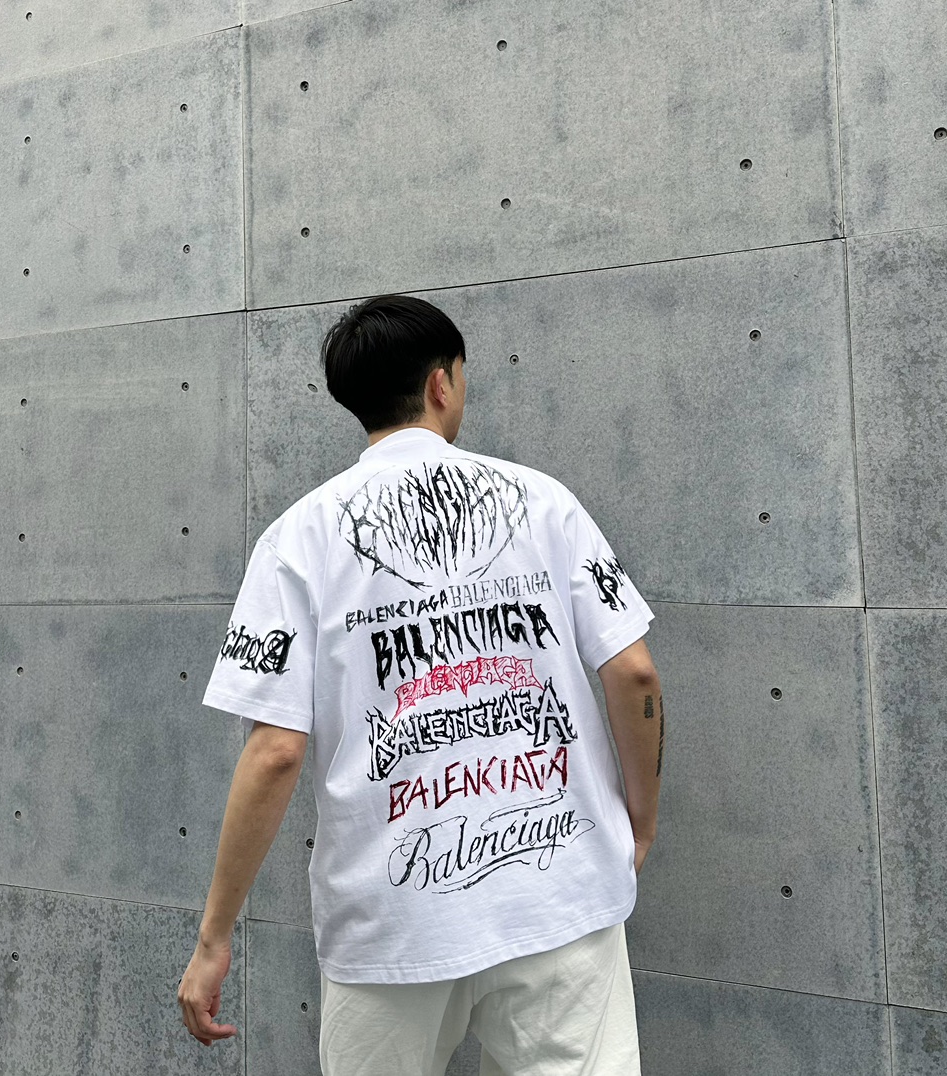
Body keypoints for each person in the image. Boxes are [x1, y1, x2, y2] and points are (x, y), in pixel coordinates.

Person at [178, 294, 665, 1075]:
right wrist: (637, 821)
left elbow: (275, 751)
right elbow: (633, 671)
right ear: (442, 383)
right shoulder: (545, 503)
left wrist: (214, 938)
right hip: (559, 896)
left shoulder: (298, 539)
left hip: (393, 924)